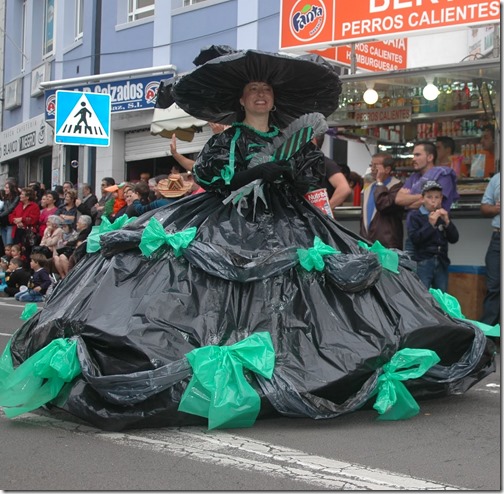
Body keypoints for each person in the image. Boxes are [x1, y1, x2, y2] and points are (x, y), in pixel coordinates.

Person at [0, 48, 495, 431]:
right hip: (227, 220)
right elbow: (214, 182)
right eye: (253, 89)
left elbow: (311, 187)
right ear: (241, 98)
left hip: (291, 223)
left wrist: (301, 188)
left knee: (310, 292)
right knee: (214, 289)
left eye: (266, 90)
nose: (260, 95)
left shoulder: (302, 141)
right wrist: (246, 174)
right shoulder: (224, 140)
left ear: (274, 99)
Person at [395, 141, 459, 254]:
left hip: (434, 238)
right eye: (413, 155)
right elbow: (399, 199)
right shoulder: (414, 177)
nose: (413, 159)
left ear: (430, 157)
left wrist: (410, 201)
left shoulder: (444, 175)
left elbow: (435, 203)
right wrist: (422, 197)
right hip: (414, 235)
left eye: (417, 155)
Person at [407, 181, 459, 292]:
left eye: (437, 197)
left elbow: (454, 239)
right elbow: (415, 239)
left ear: (441, 199)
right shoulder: (415, 216)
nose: (433, 201)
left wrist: (447, 222)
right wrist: (430, 225)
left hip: (441, 261)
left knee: (441, 297)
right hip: (423, 262)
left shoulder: (443, 216)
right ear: (422, 199)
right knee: (422, 295)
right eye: (429, 197)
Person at [360, 153, 404, 250]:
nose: (372, 169)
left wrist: (379, 182)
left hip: (387, 245)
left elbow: (384, 205)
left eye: (376, 166)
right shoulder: (370, 187)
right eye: (371, 165)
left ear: (387, 169)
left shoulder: (397, 187)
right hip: (368, 244)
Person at [480, 172, 500, 326]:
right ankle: (488, 339)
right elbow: (485, 208)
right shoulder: (497, 178)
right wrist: (497, 208)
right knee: (494, 287)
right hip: (498, 238)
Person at [313, 133, 351, 209]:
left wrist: (325, 209)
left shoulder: (325, 163)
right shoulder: (302, 164)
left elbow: (344, 188)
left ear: (314, 141)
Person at [8, 187, 40, 257]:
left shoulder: (34, 206)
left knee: (26, 252)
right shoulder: (19, 205)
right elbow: (11, 215)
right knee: (16, 251)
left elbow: (34, 219)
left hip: (28, 233)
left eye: (22, 194)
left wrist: (22, 219)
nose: (20, 196)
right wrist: (15, 221)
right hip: (17, 231)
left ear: (27, 197)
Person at [0, 180, 20, 250]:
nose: (5, 189)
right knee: (6, 247)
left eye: (7, 188)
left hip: (10, 224)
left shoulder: (17, 198)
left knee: (10, 245)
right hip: (3, 223)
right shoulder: (6, 198)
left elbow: (10, 209)